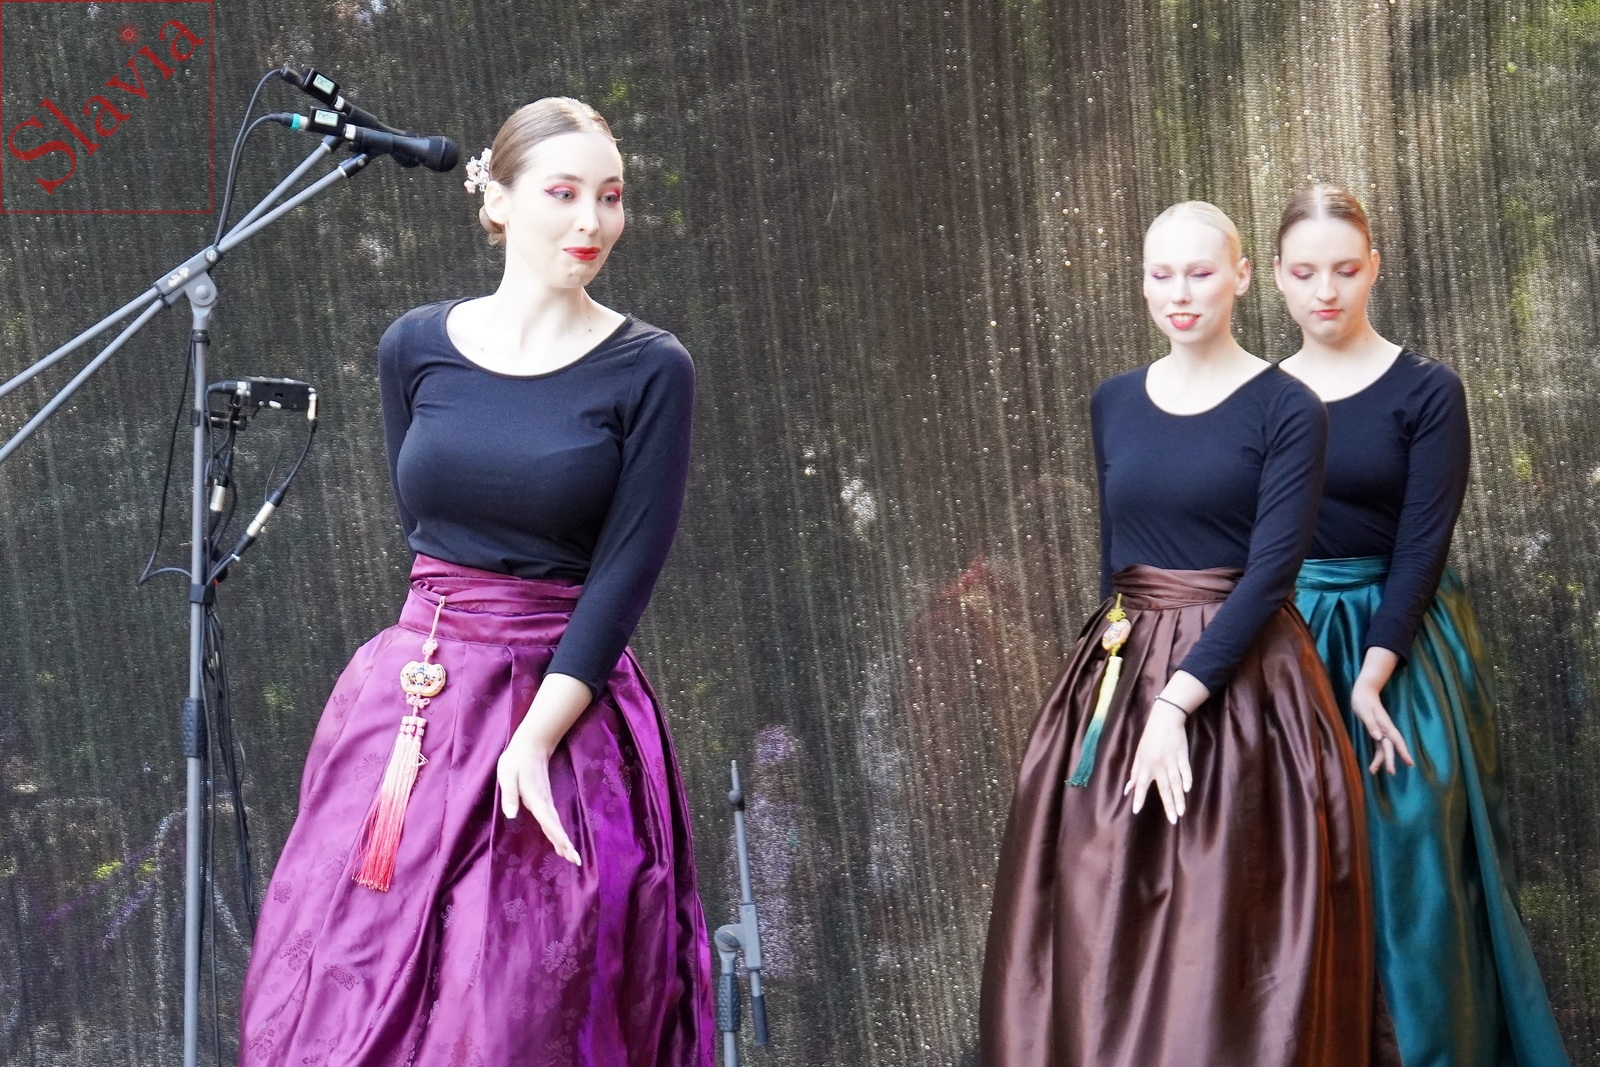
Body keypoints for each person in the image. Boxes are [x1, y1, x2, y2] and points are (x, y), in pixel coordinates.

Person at [238, 97, 713, 1066]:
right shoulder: (414, 346)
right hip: (412, 710)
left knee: (513, 1010)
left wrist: (533, 737)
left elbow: (627, 568)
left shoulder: (651, 367)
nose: (593, 220)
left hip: (564, 713)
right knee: (341, 992)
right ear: (496, 200)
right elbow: (427, 533)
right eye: (564, 192)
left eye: (611, 196)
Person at [980, 201, 1397, 1066]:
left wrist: (1175, 703)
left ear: (1241, 276)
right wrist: (1114, 702)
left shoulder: (1289, 408)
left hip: (1250, 696)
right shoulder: (1113, 402)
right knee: (1093, 920)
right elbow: (1117, 566)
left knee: (1229, 939)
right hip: (1118, 680)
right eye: (1160, 273)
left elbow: (1271, 576)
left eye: (1200, 272)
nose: (1179, 292)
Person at [1277, 183, 1569, 1067]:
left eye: (1344, 268)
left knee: (1417, 875)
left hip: (1400, 648)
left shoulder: (1429, 390)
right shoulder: (1258, 395)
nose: (1325, 290)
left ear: (1375, 268)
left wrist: (1374, 671)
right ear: (1277, 278)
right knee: (1297, 880)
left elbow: (1423, 545)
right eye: (1304, 272)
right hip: (1286, 649)